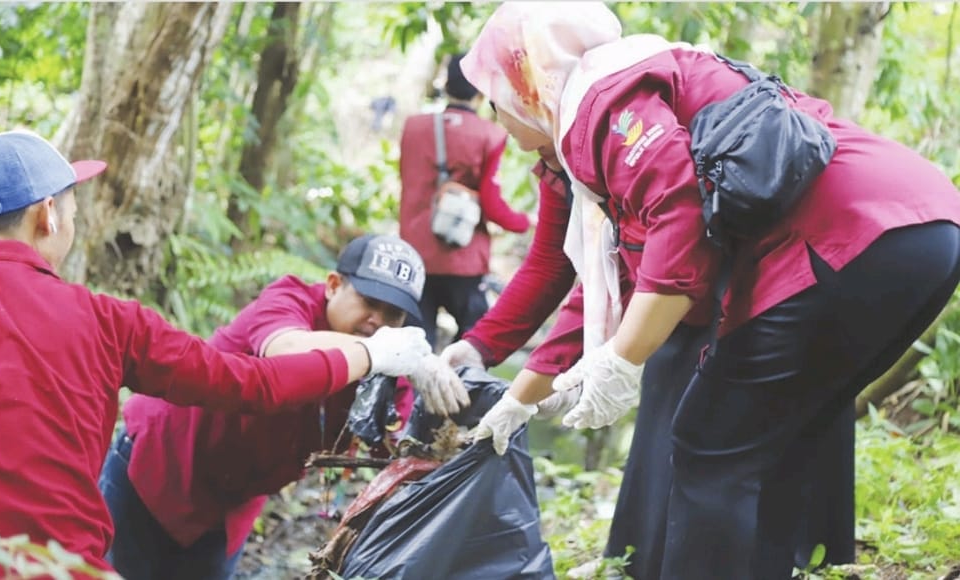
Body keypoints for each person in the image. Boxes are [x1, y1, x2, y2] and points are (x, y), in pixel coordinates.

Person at [457, 3, 960, 578]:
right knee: (767, 443)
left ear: (528, 82)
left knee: (707, 445)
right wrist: (520, 398)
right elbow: (618, 273)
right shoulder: (641, 82)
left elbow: (678, 215)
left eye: (496, 101)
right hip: (922, 228)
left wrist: (622, 361)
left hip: (841, 236)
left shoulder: (603, 102)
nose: (500, 121)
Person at [0, 131, 435, 576]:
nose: (377, 319)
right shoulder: (107, 323)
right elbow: (260, 380)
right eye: (74, 214)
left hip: (219, 508)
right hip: (95, 534)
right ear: (48, 216)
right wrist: (372, 354)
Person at [442, 164, 853, 578]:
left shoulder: (619, 130)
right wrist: (481, 346)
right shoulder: (555, 161)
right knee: (665, 433)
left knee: (717, 440)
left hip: (731, 271)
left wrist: (547, 378)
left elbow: (628, 258)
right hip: (664, 288)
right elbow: (554, 261)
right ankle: (645, 558)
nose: (515, 134)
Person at [99, 233, 470, 580]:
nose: (378, 323)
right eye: (370, 303)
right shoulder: (290, 300)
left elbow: (391, 450)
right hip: (157, 465)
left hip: (231, 502)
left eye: (393, 315)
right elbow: (284, 351)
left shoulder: (392, 361)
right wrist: (372, 355)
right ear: (333, 285)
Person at [398, 52, 532, 349]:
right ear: (481, 92)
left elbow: (407, 181)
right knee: (472, 343)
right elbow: (490, 201)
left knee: (413, 344)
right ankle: (459, 394)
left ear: (445, 84)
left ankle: (410, 396)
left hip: (415, 252)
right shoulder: (491, 135)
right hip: (464, 258)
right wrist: (523, 223)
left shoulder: (413, 128)